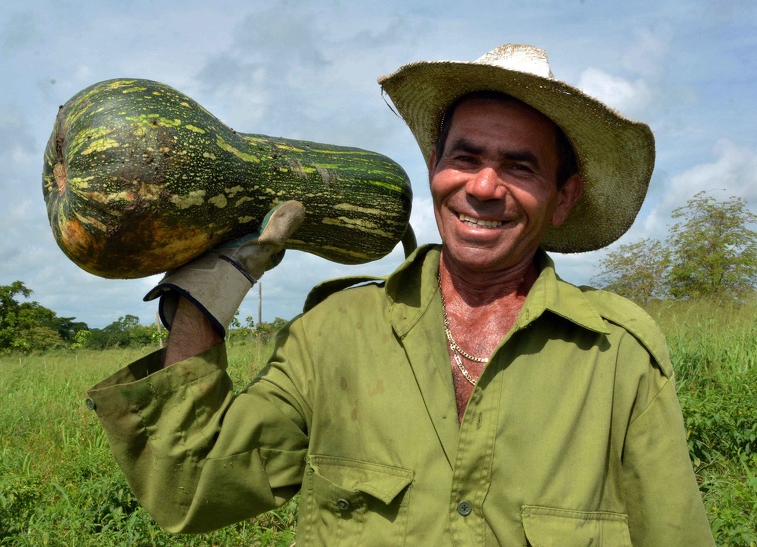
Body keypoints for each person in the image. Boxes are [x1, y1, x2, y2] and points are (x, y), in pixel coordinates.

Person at [87, 44, 715, 545]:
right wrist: (211, 282)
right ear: (435, 171)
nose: (485, 187)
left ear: (564, 197)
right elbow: (191, 486)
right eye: (464, 157)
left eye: (520, 167)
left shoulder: (619, 351)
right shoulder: (333, 333)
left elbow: (673, 531)